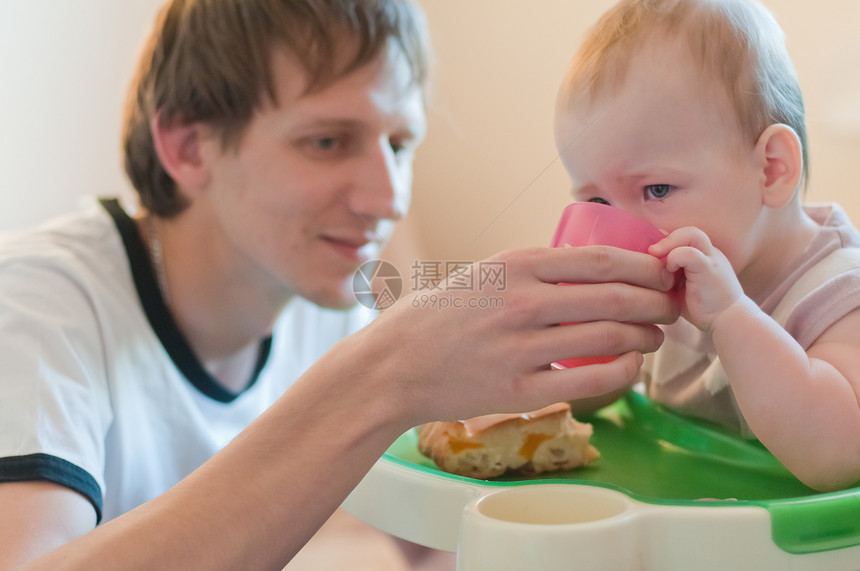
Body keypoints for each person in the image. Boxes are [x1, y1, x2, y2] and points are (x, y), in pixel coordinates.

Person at [0, 0, 680, 569]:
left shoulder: (321, 294)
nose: (386, 198)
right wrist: (381, 376)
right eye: (327, 141)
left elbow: (433, 549)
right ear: (188, 146)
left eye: (400, 144)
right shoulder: (37, 305)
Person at [554, 0, 860, 492]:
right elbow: (594, 400)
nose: (621, 227)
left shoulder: (838, 293)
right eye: (597, 200)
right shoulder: (668, 282)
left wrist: (733, 318)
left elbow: (840, 455)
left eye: (657, 190)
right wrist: (577, 346)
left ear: (771, 170)